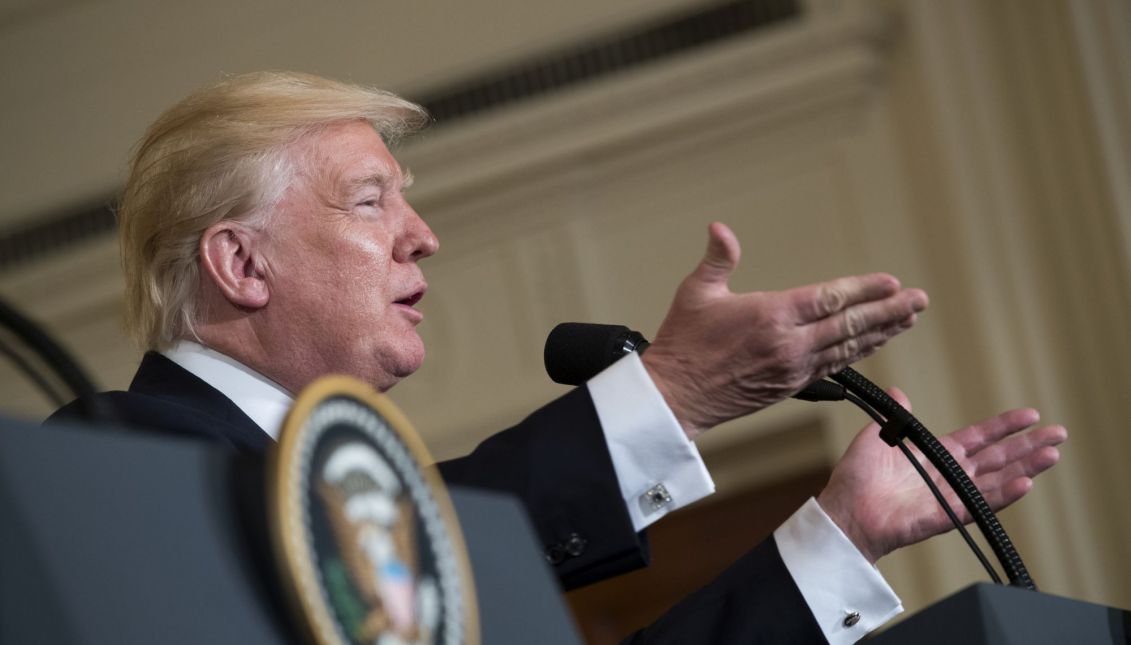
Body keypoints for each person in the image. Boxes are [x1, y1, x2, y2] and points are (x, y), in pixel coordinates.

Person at [49, 71, 1066, 643]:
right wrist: (672, 396)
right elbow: (370, 551)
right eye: (371, 200)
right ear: (241, 262)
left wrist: (839, 539)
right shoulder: (109, 462)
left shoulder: (371, 501)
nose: (422, 234)